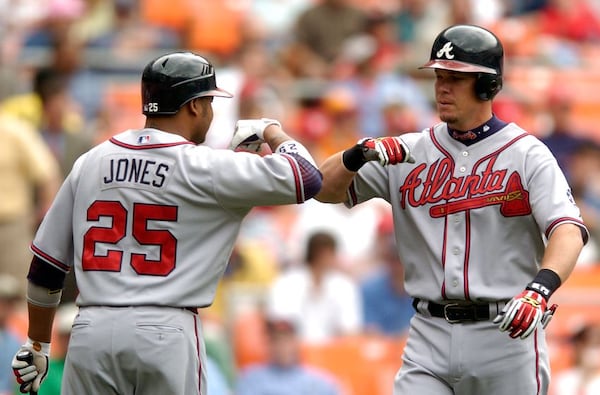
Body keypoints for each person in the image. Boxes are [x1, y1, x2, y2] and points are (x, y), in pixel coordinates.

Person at [11, 51, 323, 395]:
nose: (211, 111)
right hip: (165, 330)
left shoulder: (91, 160)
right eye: (208, 102)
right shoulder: (207, 166)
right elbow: (307, 177)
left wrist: (37, 344)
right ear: (193, 106)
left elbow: (46, 265)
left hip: (92, 331)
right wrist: (270, 129)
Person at [315, 24, 588, 395]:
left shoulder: (527, 154)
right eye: (439, 77)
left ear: (487, 85)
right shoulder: (408, 151)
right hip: (429, 333)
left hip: (505, 334)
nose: (442, 87)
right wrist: (357, 153)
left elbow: (568, 230)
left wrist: (540, 289)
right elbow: (322, 190)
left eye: (455, 78)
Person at [266, 230, 363, 344]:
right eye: (322, 254)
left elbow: (350, 331)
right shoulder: (286, 283)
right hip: (294, 355)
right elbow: (280, 327)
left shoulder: (344, 286)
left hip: (333, 354)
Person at [235, 317, 341, 395]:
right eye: (276, 340)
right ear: (269, 345)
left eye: (287, 341)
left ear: (296, 343)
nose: (282, 347)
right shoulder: (252, 378)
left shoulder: (320, 382)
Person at [552, 321, 600, 395]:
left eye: (596, 345)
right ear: (578, 347)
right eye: (588, 345)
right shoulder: (563, 380)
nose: (593, 351)